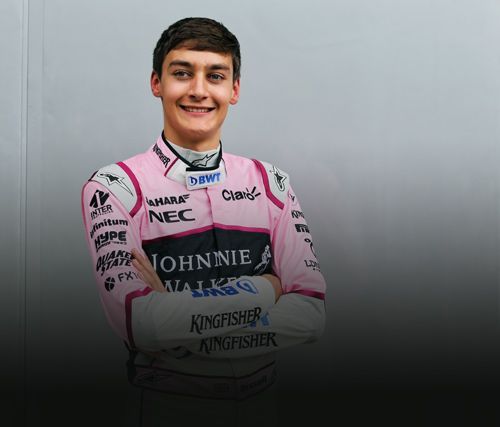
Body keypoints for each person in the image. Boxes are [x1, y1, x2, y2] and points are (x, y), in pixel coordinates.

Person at [81, 17, 326, 426]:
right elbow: (141, 325)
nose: (198, 90)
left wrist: (182, 332)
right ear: (157, 83)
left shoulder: (272, 183)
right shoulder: (114, 188)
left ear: (234, 90)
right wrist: (265, 289)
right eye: (182, 73)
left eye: (215, 75)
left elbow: (311, 316)